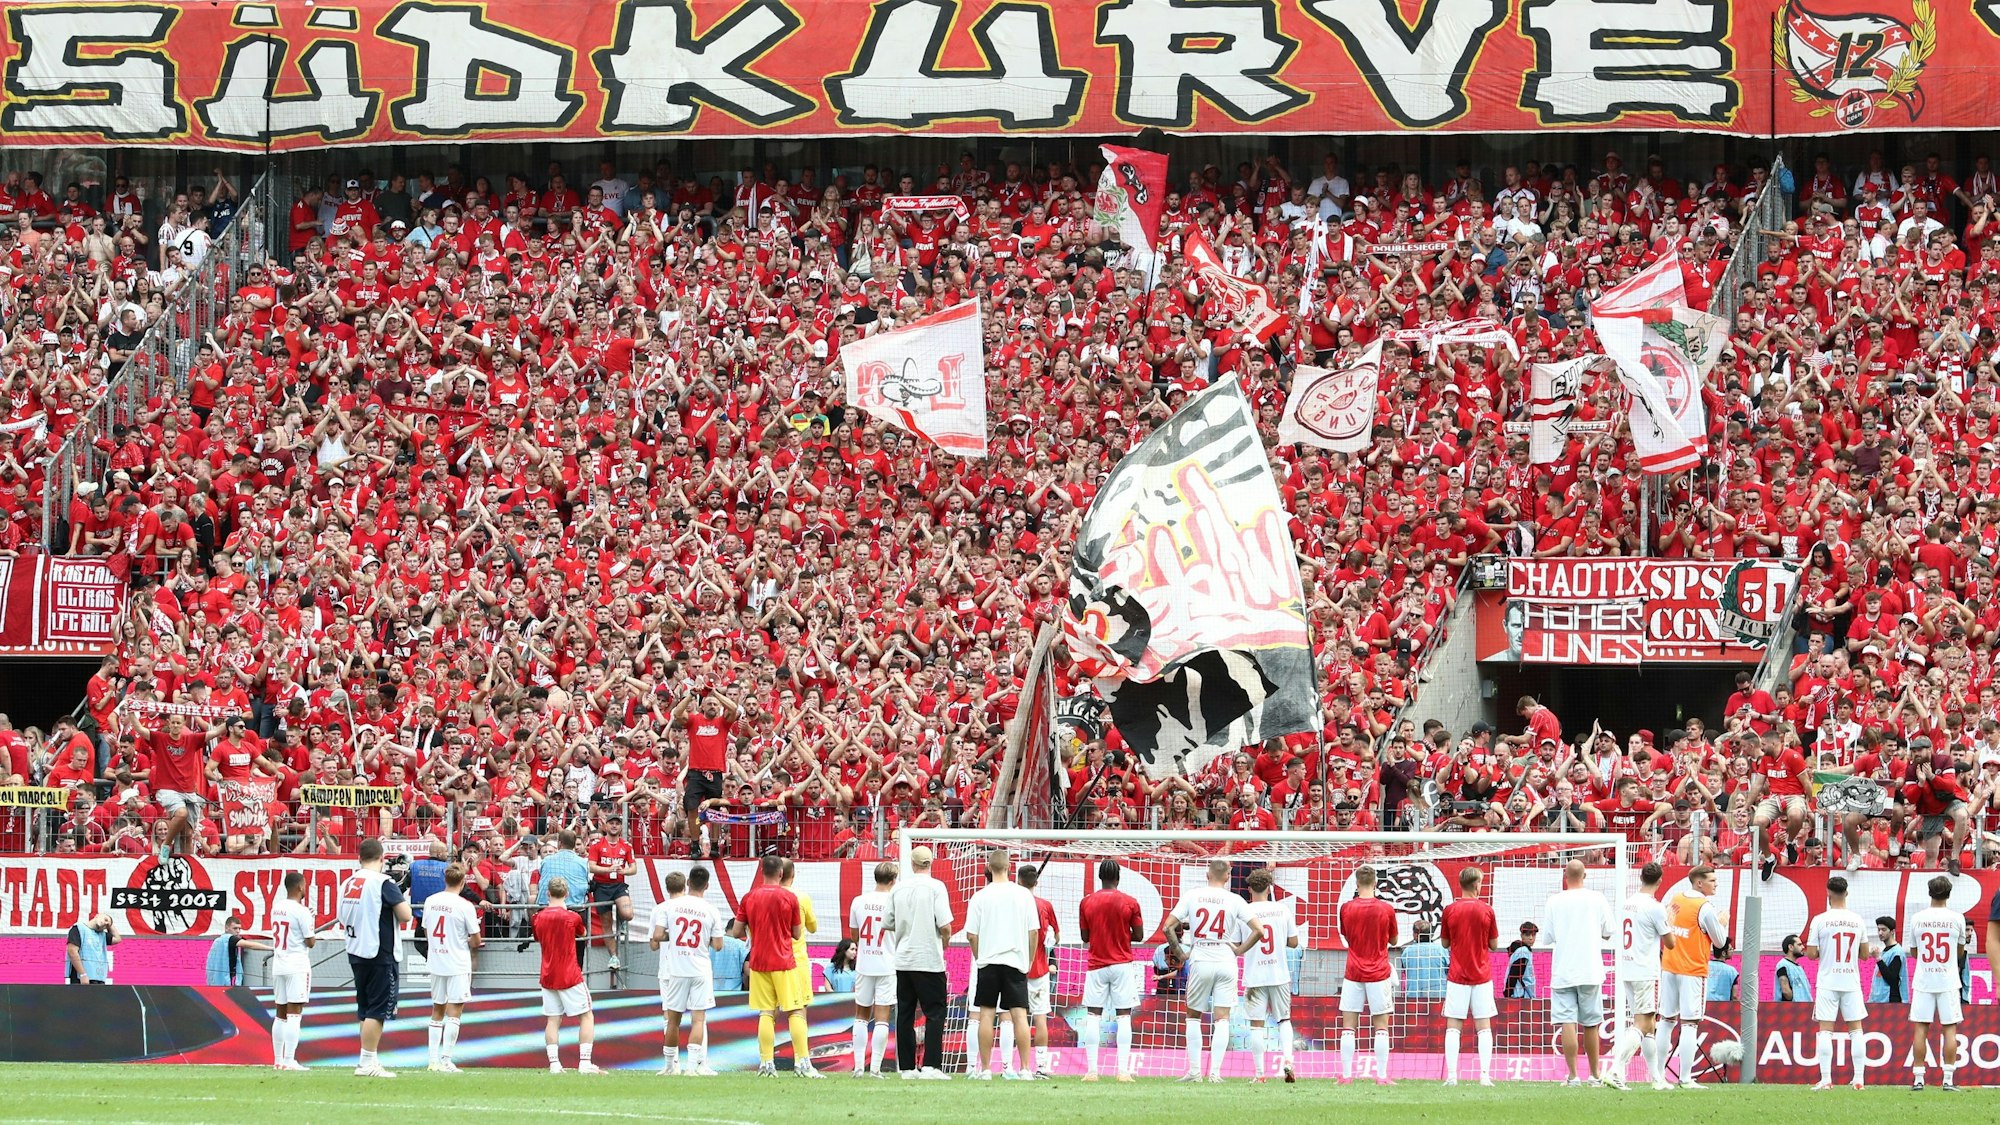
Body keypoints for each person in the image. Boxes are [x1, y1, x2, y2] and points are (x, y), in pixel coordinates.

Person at [1165, 858, 1262, 1083]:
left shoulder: (1193, 895)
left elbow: (1167, 927)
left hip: (1200, 957)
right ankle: (1216, 1073)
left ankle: (1195, 1072)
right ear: (1227, 877)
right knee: (1222, 1019)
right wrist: (1239, 950)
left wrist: (1180, 954)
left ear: (1207, 875)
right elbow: (1259, 930)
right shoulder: (1235, 899)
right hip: (1225, 958)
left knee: (1193, 1017)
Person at [731, 853, 819, 1077]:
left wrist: (757, 929)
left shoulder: (749, 897)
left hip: (759, 962)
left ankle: (766, 1063)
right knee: (796, 1011)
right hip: (784, 961)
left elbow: (737, 932)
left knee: (766, 1012)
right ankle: (803, 1063)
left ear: (762, 872)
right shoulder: (789, 898)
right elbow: (797, 933)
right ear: (781, 873)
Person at [337, 837, 413, 1078]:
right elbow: (405, 915)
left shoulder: (348, 882)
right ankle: (367, 1062)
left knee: (365, 1008)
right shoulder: (383, 882)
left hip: (356, 949)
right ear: (382, 858)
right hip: (380, 951)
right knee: (378, 1010)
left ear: (359, 858)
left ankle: (367, 1058)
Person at [963, 848, 1037, 1080]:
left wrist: (979, 957)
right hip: (1015, 961)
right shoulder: (1023, 895)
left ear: (988, 867)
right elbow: (1033, 932)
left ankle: (985, 1069)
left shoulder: (980, 896)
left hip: (989, 961)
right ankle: (1025, 1068)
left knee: (986, 1015)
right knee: (1019, 1016)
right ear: (1009, 867)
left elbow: (971, 935)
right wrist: (1029, 959)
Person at [1605, 861, 1675, 1091]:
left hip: (1627, 968)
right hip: (1646, 970)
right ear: (1660, 880)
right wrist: (1670, 922)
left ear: (1641, 877)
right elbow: (1670, 943)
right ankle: (1616, 1070)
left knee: (1650, 1026)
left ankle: (1657, 1077)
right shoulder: (1655, 907)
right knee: (1642, 1025)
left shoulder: (1628, 903)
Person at [884, 844, 952, 1078]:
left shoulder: (898, 889)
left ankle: (906, 1068)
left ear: (912, 864)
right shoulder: (936, 887)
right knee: (935, 1012)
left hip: (904, 959)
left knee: (904, 1013)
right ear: (931, 863)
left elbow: (887, 922)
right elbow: (945, 924)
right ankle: (931, 1065)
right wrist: (945, 940)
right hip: (928, 958)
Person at [1661, 863, 1729, 1089]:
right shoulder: (1705, 907)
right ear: (1699, 882)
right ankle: (1685, 1078)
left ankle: (1658, 1076)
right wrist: (1722, 923)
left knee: (1667, 1020)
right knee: (1689, 1024)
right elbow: (1720, 942)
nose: (1716, 884)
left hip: (1669, 966)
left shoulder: (1675, 898)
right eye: (1712, 880)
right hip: (1692, 970)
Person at [1545, 859, 1612, 1087]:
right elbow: (1608, 931)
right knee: (1591, 1024)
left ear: (1565, 875)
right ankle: (1594, 1075)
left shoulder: (1554, 901)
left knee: (1567, 1022)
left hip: (1564, 969)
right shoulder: (1597, 898)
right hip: (1590, 969)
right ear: (1585, 875)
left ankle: (1573, 1076)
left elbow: (1548, 937)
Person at [1077, 858, 1145, 1082]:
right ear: (1118, 877)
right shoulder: (1130, 902)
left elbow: (1085, 937)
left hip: (1096, 964)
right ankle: (1123, 1072)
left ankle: (1092, 1072)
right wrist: (1122, 934)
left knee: (1093, 1016)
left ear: (1100, 877)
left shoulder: (1086, 902)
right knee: (1124, 1016)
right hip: (1122, 964)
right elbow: (1139, 935)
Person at [1803, 874, 1874, 1089]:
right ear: (1847, 893)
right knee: (1856, 1030)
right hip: (1850, 980)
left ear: (1828, 893)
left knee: (1825, 1030)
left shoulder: (1819, 920)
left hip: (1827, 980)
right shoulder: (1857, 919)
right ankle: (1859, 1079)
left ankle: (1826, 1079)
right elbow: (1864, 955)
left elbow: (1811, 954)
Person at [651, 867, 722, 1076]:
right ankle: (693, 1067)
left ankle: (669, 1066)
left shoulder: (671, 906)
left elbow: (657, 935)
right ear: (707, 886)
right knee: (698, 1019)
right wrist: (704, 939)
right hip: (700, 969)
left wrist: (672, 937)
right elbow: (718, 944)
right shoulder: (711, 910)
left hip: (676, 969)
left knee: (673, 1020)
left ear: (688, 883)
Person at [1438, 866, 1500, 1087]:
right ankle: (1484, 1075)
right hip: (1481, 975)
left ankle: (1452, 1076)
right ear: (1476, 885)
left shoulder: (1450, 910)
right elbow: (1494, 945)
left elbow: (1444, 942)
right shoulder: (1487, 910)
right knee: (1483, 1026)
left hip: (1457, 975)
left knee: (1453, 1026)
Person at [1336, 864, 1397, 1085]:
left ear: (1356, 883)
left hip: (1353, 970)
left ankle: (1346, 1075)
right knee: (1381, 1026)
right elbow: (1394, 940)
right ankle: (1381, 1076)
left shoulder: (1346, 908)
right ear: (1376, 882)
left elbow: (1346, 935)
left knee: (1349, 1026)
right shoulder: (1386, 909)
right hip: (1379, 971)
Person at [1904, 875, 1965, 1092]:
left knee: (1921, 1028)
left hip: (1924, 980)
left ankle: (1919, 1078)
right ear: (1949, 894)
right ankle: (1948, 1078)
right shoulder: (1957, 918)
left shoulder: (1917, 918)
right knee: (1950, 1029)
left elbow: (1913, 951)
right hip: (1948, 980)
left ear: (1930, 893)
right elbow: (1959, 952)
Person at [533, 876, 600, 1074]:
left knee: (553, 1020)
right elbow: (582, 932)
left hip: (548, 974)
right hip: (569, 973)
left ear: (547, 893)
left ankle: (554, 1064)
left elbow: (538, 937)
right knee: (586, 1016)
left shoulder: (538, 918)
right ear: (567, 893)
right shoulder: (572, 917)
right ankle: (585, 1062)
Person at [998, 864, 1058, 1077]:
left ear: (1018, 881)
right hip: (1039, 968)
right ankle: (1040, 1067)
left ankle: (1007, 1067)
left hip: (1014, 968)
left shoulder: (1010, 904)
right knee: (1040, 1017)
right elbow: (1055, 937)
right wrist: (1047, 943)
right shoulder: (1045, 905)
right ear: (1036, 882)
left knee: (1008, 1016)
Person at [423, 863, 483, 1073]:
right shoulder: (465, 905)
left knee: (437, 1009)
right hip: (457, 961)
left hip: (436, 960)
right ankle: (446, 1060)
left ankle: (432, 1061)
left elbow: (425, 930)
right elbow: (476, 941)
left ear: (445, 880)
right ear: (463, 881)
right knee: (455, 1011)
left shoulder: (431, 901)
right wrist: (463, 939)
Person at [1243, 868, 1299, 1084]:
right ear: (1269, 888)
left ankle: (1259, 1074)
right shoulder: (1282, 909)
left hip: (1255, 974)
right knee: (1284, 1019)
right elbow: (1293, 943)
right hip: (1279, 974)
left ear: (1249, 889)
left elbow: (1239, 943)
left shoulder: (1244, 911)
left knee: (1256, 1025)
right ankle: (1288, 1061)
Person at [846, 861, 898, 1078]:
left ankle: (858, 1067)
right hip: (887, 964)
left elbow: (854, 935)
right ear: (894, 880)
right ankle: (875, 1069)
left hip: (865, 963)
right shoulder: (896, 902)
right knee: (883, 1017)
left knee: (860, 1015)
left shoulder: (859, 901)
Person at [269, 872, 318, 1071]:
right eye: (304, 885)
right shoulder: (302, 911)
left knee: (280, 1013)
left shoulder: (277, 907)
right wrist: (311, 921)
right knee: (295, 1013)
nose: (305, 889)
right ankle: (290, 1060)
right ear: (299, 887)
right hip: (297, 964)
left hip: (279, 963)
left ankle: (278, 1060)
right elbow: (310, 941)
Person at [586, 817, 638, 967]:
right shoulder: (597, 844)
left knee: (628, 914)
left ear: (621, 827)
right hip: (601, 886)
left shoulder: (626, 846)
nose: (614, 826)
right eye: (611, 823)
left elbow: (634, 869)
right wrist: (608, 869)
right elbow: (591, 866)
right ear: (605, 825)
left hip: (619, 885)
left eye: (617, 824)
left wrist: (624, 871)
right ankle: (614, 957)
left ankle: (621, 921)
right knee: (606, 924)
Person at [780, 860, 818, 1014]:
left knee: (768, 1010)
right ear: (793, 874)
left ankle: (767, 1040)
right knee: (799, 1007)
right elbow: (813, 928)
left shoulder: (763, 895)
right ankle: (801, 1039)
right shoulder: (802, 897)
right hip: (797, 958)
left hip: (772, 958)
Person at [205, 915, 270, 986]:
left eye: (239, 929)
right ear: (227, 928)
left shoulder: (218, 941)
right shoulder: (230, 939)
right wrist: (271, 948)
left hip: (214, 981)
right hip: (222, 982)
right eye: (235, 928)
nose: (238, 931)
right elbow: (251, 945)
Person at [65, 912, 119, 984]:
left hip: (98, 978)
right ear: (97, 915)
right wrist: (82, 974)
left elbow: (117, 938)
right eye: (105, 919)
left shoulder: (102, 935)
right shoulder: (79, 928)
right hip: (81, 978)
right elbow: (72, 952)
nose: (105, 923)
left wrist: (110, 924)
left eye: (107, 925)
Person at [1398, 921, 1447, 999]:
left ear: (1416, 935)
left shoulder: (1407, 951)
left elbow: (1405, 970)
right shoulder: (1441, 950)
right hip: (1439, 996)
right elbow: (1448, 970)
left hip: (1413, 997)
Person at [1869, 916, 1907, 1005]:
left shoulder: (1897, 952)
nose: (1880, 933)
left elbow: (1892, 979)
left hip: (1890, 1001)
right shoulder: (1885, 951)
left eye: (1883, 929)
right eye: (1878, 930)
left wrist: (1878, 959)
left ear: (1892, 931)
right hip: (1878, 1000)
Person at [1503, 921, 1538, 997]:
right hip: (1520, 995)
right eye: (1527, 935)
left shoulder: (1519, 950)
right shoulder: (1523, 952)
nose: (1531, 938)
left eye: (1533, 935)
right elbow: (1515, 974)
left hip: (1517, 994)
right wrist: (1508, 994)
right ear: (1521, 935)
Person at [1775, 934, 1812, 1003]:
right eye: (1799, 945)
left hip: (1805, 1009)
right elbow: (1786, 991)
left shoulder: (1798, 967)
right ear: (1791, 947)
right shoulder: (1782, 965)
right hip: (1793, 1011)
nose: (1803, 947)